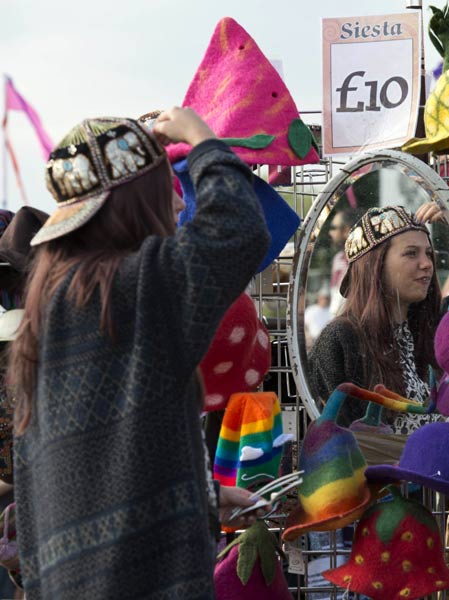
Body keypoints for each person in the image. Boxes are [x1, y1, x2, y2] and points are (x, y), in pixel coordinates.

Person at [8, 107, 272, 598]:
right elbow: (237, 229)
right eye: (164, 191)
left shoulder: (51, 310)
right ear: (133, 205)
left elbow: (96, 470)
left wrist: (203, 496)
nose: (177, 205)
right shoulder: (138, 286)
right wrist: (202, 140)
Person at [307, 203, 449, 436]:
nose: (426, 264)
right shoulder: (340, 339)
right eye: (411, 253)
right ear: (376, 265)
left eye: (429, 254)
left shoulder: (434, 328)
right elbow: (337, 443)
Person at [327, 205, 356, 316]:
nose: (330, 233)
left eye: (334, 227)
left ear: (346, 231)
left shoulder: (361, 261)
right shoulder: (338, 258)